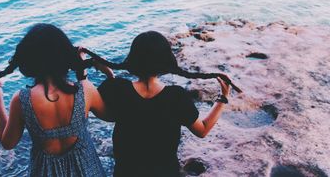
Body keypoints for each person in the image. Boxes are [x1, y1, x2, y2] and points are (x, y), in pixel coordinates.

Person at [79, 31, 241, 177]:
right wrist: (222, 98)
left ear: (133, 59)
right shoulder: (176, 96)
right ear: (166, 61)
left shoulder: (119, 90)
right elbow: (202, 130)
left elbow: (108, 111)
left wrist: (105, 74)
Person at [0, 23, 113, 177]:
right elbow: (110, 115)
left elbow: (7, 143)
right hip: (88, 170)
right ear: (65, 56)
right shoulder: (85, 90)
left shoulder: (22, 99)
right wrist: (108, 75)